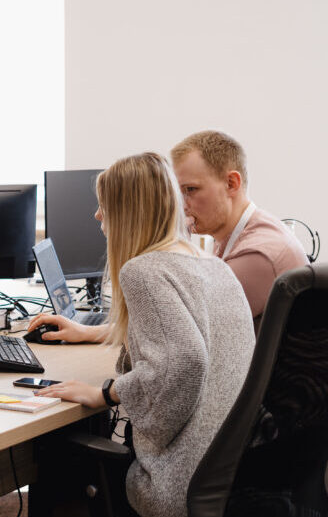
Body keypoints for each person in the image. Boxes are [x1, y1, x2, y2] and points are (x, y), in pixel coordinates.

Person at [28, 152, 255, 517]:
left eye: (104, 206)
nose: (98, 216)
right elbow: (187, 335)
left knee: (54, 452)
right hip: (233, 475)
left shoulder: (143, 271)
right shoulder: (213, 267)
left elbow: (185, 360)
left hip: (177, 483)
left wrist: (105, 394)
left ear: (126, 212)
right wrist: (95, 333)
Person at [170, 130, 307, 323]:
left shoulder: (258, 255)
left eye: (191, 190)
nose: (183, 205)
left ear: (231, 183)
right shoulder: (231, 237)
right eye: (179, 193)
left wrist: (172, 244)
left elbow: (183, 329)